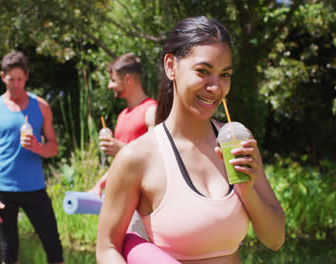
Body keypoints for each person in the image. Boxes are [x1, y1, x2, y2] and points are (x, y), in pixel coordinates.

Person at [96, 16, 286, 264]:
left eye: (225, 74)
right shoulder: (137, 158)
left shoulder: (238, 142)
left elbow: (275, 240)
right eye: (203, 72)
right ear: (171, 66)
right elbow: (107, 247)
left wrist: (247, 190)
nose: (216, 87)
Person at [0, 51, 64, 264]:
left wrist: (37, 147)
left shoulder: (41, 106)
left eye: (19, 79)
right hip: (3, 189)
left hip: (34, 187)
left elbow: (54, 148)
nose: (15, 84)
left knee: (54, 247)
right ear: (2, 77)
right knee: (9, 251)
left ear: (26, 77)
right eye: (10, 79)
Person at [89, 53, 156, 239]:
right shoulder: (122, 115)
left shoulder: (151, 110)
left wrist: (123, 149)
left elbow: (158, 157)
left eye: (113, 80)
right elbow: (121, 162)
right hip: (121, 205)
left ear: (127, 79)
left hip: (142, 206)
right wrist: (100, 184)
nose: (110, 85)